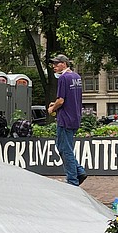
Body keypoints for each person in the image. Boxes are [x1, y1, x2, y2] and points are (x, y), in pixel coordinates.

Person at [46, 54, 87, 185]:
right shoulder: (76, 77)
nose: (54, 67)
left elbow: (61, 100)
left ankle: (72, 180)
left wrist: (52, 109)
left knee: (65, 149)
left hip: (65, 119)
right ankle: (79, 171)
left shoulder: (63, 78)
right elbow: (70, 98)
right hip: (75, 117)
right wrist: (56, 103)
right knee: (64, 147)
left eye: (56, 64)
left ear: (64, 64)